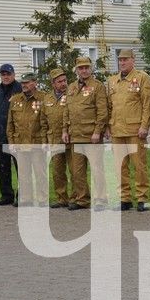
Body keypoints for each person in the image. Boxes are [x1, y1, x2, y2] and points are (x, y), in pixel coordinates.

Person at [106, 49, 150, 211]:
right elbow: (109, 106)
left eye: (126, 60)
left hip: (135, 130)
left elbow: (148, 105)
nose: (122, 63)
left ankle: (142, 198)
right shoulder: (112, 81)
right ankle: (124, 199)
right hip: (117, 130)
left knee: (139, 165)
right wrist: (108, 126)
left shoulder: (142, 78)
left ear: (133, 60)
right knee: (120, 166)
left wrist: (144, 126)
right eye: (120, 60)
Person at [63, 56, 109, 210]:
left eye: (86, 67)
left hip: (92, 136)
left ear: (91, 69)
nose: (84, 70)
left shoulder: (98, 86)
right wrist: (65, 130)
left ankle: (101, 199)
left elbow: (102, 111)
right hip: (75, 135)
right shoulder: (71, 87)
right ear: (76, 70)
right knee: (77, 171)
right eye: (81, 68)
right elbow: (66, 111)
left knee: (97, 169)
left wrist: (98, 131)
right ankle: (82, 200)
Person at [7, 72, 49, 207]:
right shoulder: (15, 99)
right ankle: (26, 199)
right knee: (24, 173)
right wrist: (11, 142)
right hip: (20, 142)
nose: (23, 85)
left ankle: (42, 199)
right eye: (22, 83)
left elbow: (45, 123)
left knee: (39, 172)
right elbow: (10, 123)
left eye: (26, 82)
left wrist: (44, 141)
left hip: (36, 142)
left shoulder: (43, 98)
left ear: (34, 83)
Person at [0, 63, 22, 206]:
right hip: (0, 135)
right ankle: (6, 196)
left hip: (16, 136)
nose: (6, 77)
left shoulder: (20, 89)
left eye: (8, 74)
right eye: (3, 74)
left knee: (20, 167)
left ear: (13, 74)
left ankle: (21, 196)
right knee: (3, 168)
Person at [42, 68, 72, 208]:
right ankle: (61, 198)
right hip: (53, 139)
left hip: (70, 138)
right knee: (57, 171)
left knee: (74, 170)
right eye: (59, 81)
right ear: (53, 84)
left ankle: (77, 197)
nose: (63, 83)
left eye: (64, 80)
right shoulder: (47, 98)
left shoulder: (72, 94)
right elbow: (43, 121)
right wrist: (44, 141)